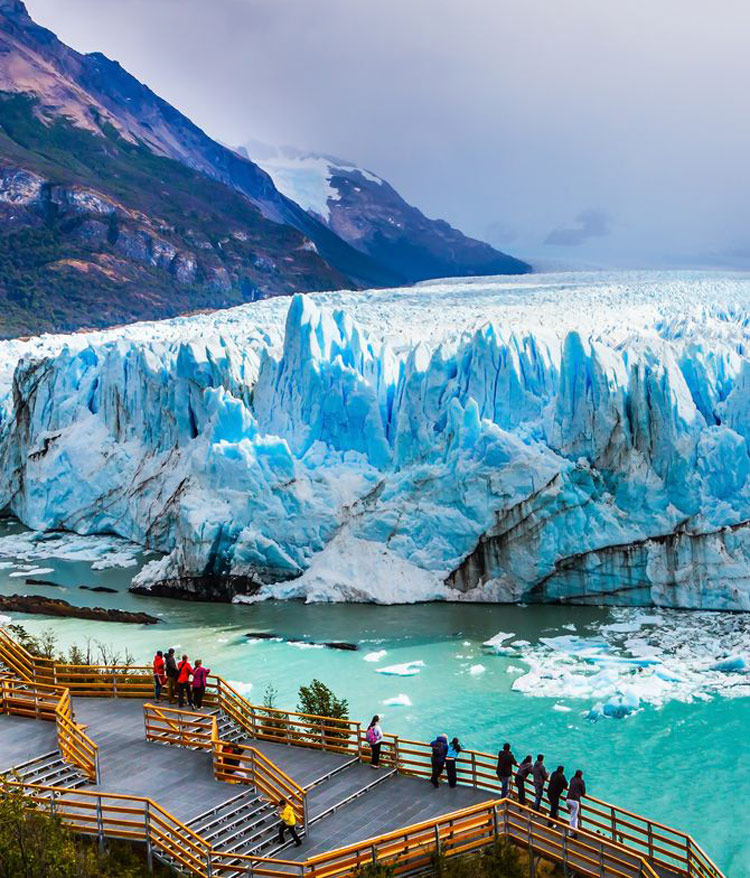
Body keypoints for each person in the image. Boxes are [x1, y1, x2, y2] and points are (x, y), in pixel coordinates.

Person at [567, 769, 586, 835]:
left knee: (573, 816)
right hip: (574, 801)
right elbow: (583, 792)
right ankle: (572, 833)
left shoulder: (572, 779)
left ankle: (574, 830)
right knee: (574, 817)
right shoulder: (581, 781)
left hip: (568, 799)